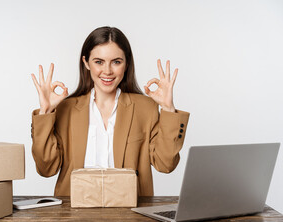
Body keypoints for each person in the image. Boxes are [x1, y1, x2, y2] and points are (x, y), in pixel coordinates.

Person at [30, 26, 189, 196]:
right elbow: (46, 169)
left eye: (116, 62)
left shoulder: (145, 108)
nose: (107, 71)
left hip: (129, 214)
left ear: (126, 63)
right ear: (86, 63)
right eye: (99, 62)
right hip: (74, 213)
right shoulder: (66, 109)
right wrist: (45, 112)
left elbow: (166, 164)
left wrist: (168, 108)